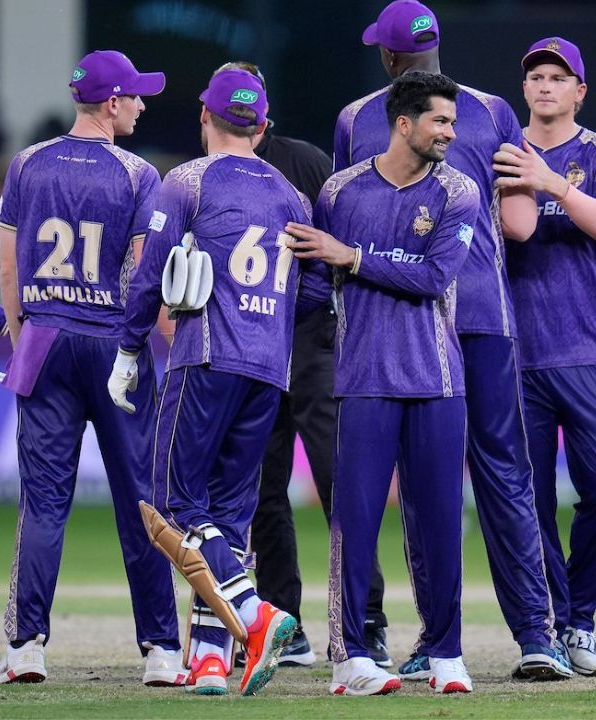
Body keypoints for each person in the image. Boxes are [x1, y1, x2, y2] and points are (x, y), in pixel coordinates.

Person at [332, 0, 566, 680]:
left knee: (421, 483)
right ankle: (537, 636)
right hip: (485, 312)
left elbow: (348, 210)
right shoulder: (491, 111)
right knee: (506, 473)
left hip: (405, 320)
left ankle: (433, 640)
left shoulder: (357, 117)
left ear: (387, 56)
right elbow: (519, 224)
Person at [111, 68, 320, 696]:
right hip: (270, 369)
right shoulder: (292, 195)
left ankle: (255, 614)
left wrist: (129, 347)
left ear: (205, 116)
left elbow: (150, 273)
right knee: (228, 515)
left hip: (205, 358)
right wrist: (268, 316)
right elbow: (314, 290)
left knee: (172, 504)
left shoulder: (188, 180)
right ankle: (208, 660)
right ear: (261, 125)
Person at [0, 50, 185, 688]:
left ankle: (27, 646)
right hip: (112, 342)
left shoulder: (26, 163)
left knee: (43, 503)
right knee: (141, 501)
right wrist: (142, 344)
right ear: (111, 102)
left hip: (44, 338)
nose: (142, 105)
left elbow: (9, 268)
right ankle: (162, 651)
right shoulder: (138, 173)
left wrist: (23, 339)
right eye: (135, 96)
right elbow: (142, 273)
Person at [290, 71, 476, 695]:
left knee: (441, 522)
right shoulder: (340, 191)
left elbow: (433, 277)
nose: (450, 133)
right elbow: (315, 284)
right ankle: (350, 656)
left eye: (452, 122)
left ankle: (446, 653)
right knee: (355, 523)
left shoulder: (458, 192)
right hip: (362, 377)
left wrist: (354, 257)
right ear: (404, 123)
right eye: (440, 121)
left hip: (437, 380)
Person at [215, 61, 353, 669]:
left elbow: (337, 247)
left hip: (312, 344)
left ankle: (362, 623)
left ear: (264, 110)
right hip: (252, 350)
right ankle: (284, 624)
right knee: (263, 490)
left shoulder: (305, 162)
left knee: (339, 484)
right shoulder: (207, 174)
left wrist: (314, 311)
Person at [496, 36, 596, 676]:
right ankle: (554, 625)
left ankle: (584, 617)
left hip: (587, 350)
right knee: (526, 504)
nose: (545, 85)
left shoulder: (591, 152)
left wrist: (551, 182)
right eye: (536, 75)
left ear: (579, 92)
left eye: (558, 77)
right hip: (515, 355)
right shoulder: (504, 154)